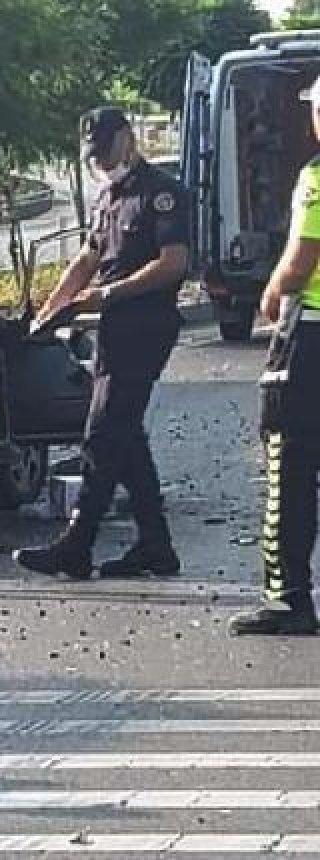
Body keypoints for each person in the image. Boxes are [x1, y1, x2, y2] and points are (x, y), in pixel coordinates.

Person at [14, 107, 189, 580]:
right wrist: (51, 312)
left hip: (146, 325)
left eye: (106, 151)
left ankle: (76, 545)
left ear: (128, 139)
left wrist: (105, 295)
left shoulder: (163, 193)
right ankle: (156, 546)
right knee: (125, 434)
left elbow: (173, 263)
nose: (101, 162)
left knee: (102, 432)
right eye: (93, 155)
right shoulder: (108, 196)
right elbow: (89, 257)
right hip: (112, 329)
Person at [229, 77, 320, 636]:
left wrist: (271, 289)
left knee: (289, 463)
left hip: (310, 335)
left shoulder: (316, 178)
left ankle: (288, 596)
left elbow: (302, 257)